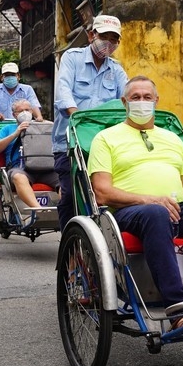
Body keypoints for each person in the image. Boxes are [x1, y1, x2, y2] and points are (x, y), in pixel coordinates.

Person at [88, 76, 183, 323]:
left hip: (177, 208)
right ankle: (177, 308)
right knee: (156, 213)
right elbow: (102, 192)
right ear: (125, 102)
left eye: (147, 97)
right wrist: (148, 200)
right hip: (131, 212)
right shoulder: (106, 138)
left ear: (157, 101)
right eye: (135, 97)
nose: (142, 102)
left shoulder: (173, 139)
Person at [53, 13, 129, 230]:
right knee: (70, 197)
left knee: (107, 194)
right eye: (104, 36)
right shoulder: (72, 58)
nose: (109, 43)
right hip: (70, 143)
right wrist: (76, 114)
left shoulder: (116, 69)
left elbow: (128, 96)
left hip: (103, 145)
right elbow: (64, 90)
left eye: (114, 39)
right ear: (91, 35)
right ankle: (69, 244)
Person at [0, 99, 57, 208]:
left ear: (32, 111)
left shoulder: (43, 126)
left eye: (27, 110)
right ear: (14, 115)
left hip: (46, 168)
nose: (24, 113)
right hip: (19, 168)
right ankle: (38, 210)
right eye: (20, 111)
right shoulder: (8, 129)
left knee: (65, 179)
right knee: (19, 177)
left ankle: (64, 213)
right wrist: (16, 133)